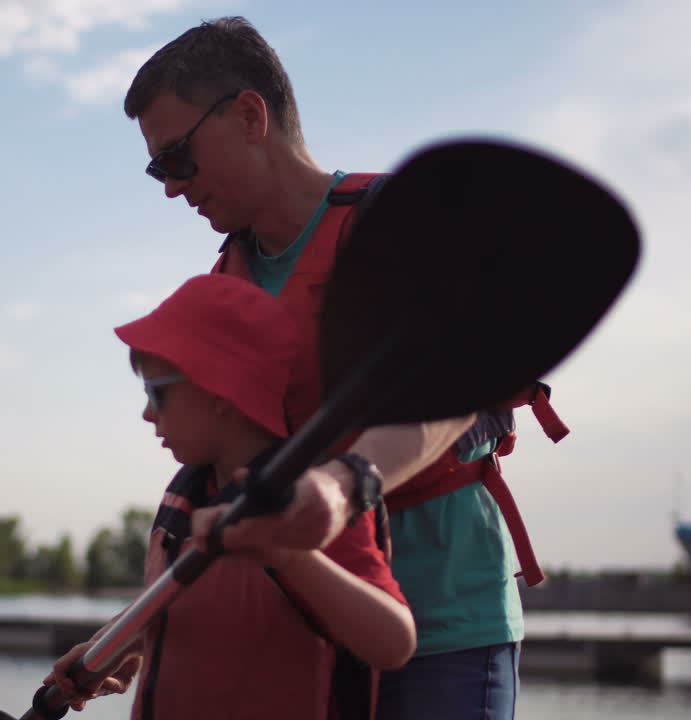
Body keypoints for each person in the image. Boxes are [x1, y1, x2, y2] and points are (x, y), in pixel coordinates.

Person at [120, 16, 540, 720]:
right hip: (309, 642)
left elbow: (454, 398)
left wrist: (344, 487)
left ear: (250, 114)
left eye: (176, 159)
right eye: (158, 169)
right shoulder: (227, 281)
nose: (170, 188)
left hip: (444, 629)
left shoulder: (397, 225)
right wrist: (146, 627)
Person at [43, 273, 415, 720]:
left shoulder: (309, 502)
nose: (146, 413)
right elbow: (196, 600)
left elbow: (394, 643)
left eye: (156, 393)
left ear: (217, 388)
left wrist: (290, 555)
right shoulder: (188, 496)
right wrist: (108, 648)